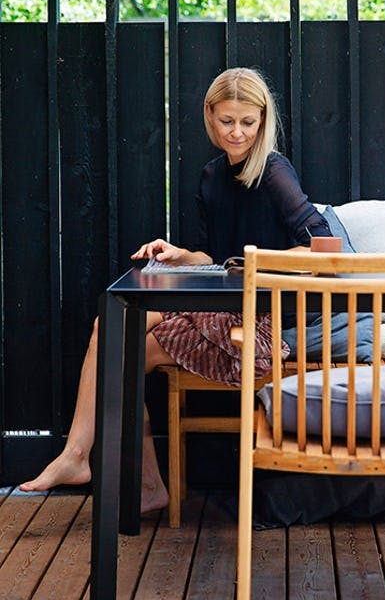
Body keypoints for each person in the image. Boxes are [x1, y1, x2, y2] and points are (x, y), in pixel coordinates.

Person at [20, 67, 332, 511]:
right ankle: (136, 483)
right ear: (210, 115)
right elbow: (212, 256)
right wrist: (178, 255)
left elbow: (321, 248)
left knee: (115, 336)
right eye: (227, 121)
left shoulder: (275, 171)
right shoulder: (211, 176)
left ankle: (82, 458)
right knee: (117, 342)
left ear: (263, 119)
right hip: (220, 309)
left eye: (248, 122)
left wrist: (256, 264)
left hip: (260, 326)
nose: (238, 133)